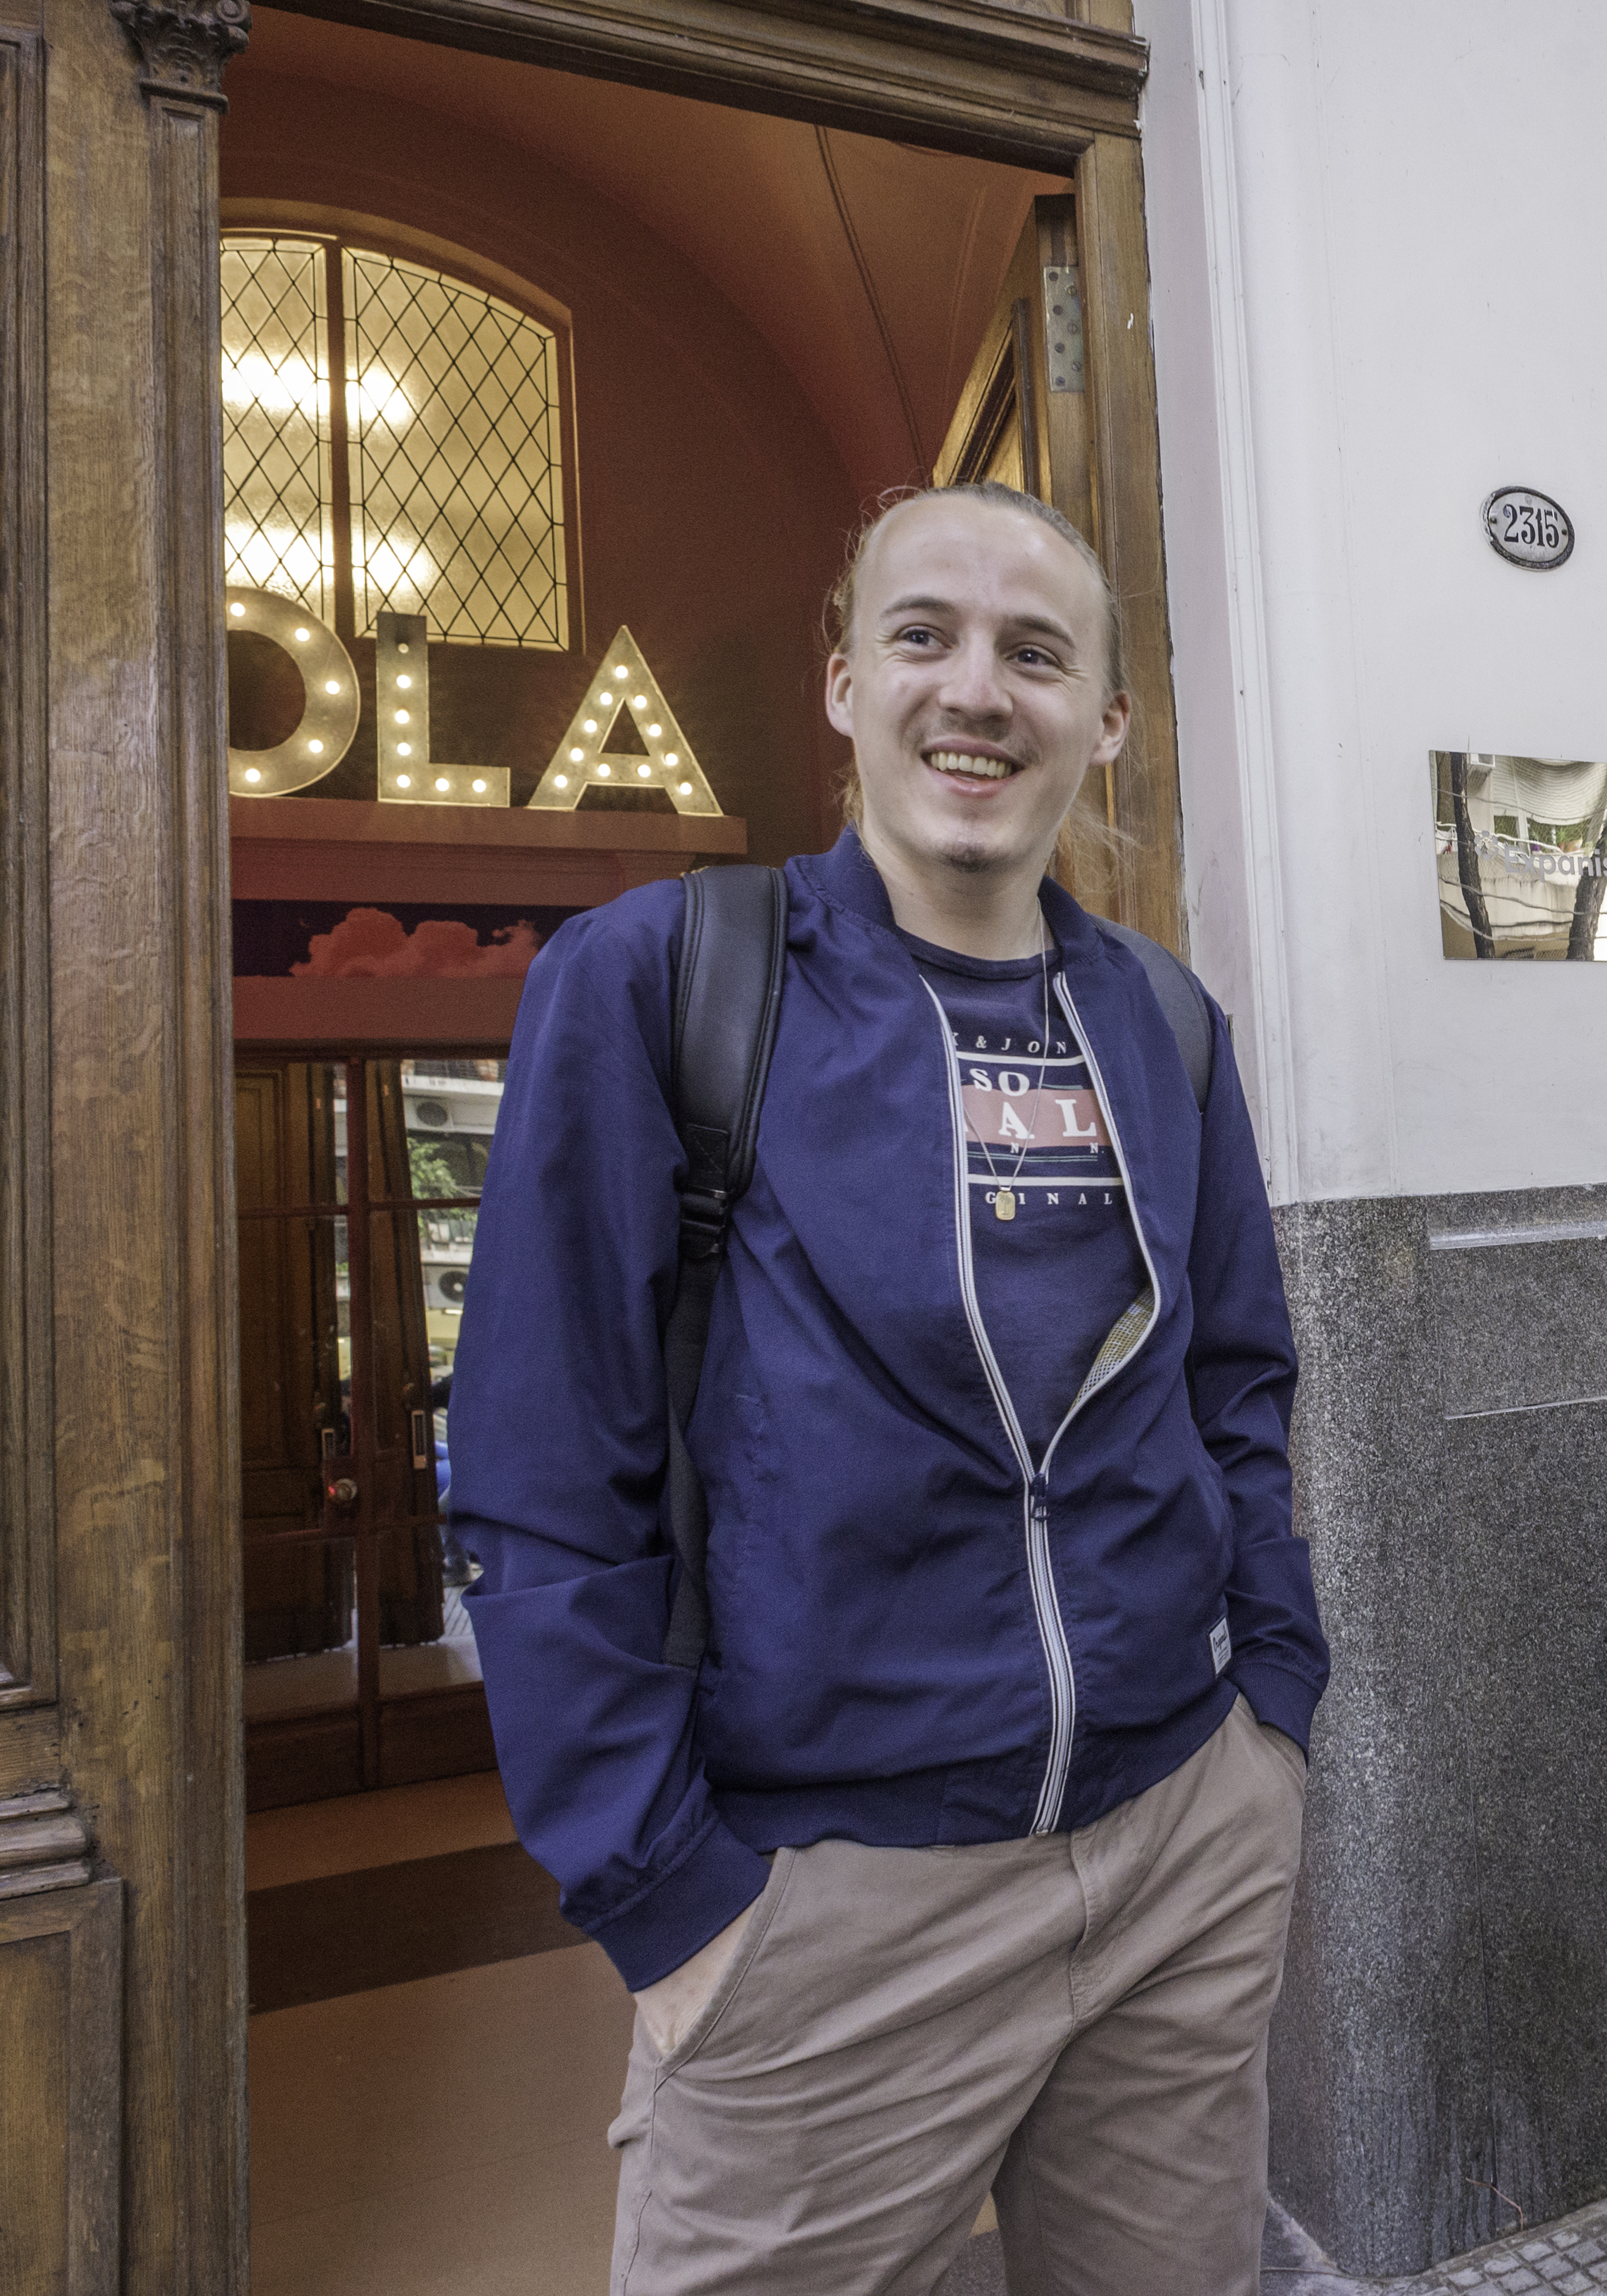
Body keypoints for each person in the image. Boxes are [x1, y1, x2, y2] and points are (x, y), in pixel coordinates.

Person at [450, 481, 1323, 2296]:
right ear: (844, 684)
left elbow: (1235, 1375)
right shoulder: (657, 983)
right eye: (925, 636)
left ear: (1107, 720)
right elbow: (541, 1469)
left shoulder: (1165, 1022)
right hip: (826, 1905)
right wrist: (665, 1896)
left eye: (1035, 652)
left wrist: (1275, 1714)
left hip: (1178, 1846)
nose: (977, 691)